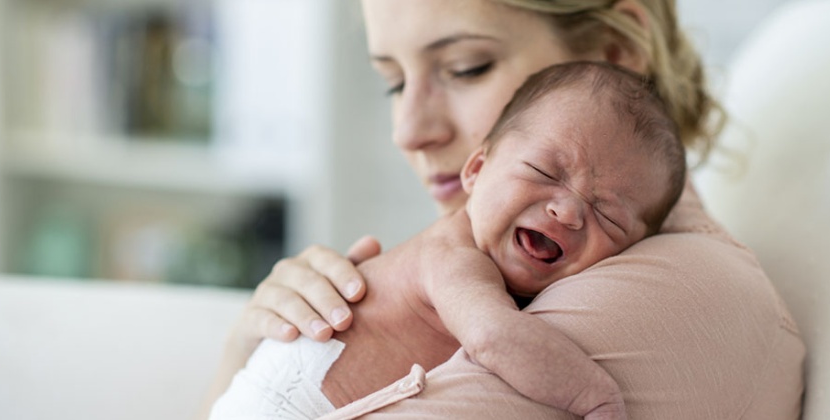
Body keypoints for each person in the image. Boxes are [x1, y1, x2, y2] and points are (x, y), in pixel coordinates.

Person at [201, 1, 806, 418]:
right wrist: (251, 345)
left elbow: (502, 342)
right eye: (393, 81)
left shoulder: (680, 293)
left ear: (614, 50)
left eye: (466, 67)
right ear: (479, 166)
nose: (407, 130)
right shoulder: (475, 254)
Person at [209, 61, 684, 420]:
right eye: (544, 172)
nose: (568, 210)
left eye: (608, 215)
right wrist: (597, 399)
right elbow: (492, 336)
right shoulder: (452, 255)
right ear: (476, 171)